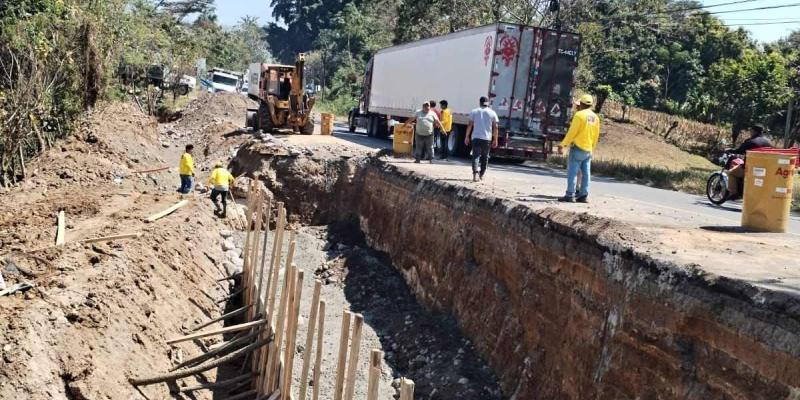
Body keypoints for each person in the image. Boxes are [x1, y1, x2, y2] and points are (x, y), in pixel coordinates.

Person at [558, 94, 600, 203]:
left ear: (581, 104)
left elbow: (572, 132)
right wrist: (592, 148)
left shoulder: (579, 115)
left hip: (577, 148)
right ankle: (583, 195)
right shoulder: (595, 117)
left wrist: (563, 144)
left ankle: (570, 195)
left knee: (572, 172)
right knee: (586, 174)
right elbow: (596, 135)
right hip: (588, 149)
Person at [726, 123, 773, 196]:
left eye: (751, 131)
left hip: (750, 168)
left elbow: (739, 150)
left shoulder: (751, 141)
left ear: (754, 131)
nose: (750, 132)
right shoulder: (768, 142)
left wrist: (729, 150)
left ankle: (733, 193)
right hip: (765, 169)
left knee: (731, 173)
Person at [465, 96, 499, 181]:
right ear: (488, 103)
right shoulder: (492, 113)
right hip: (487, 139)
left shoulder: (474, 111)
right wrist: (495, 139)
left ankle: (475, 174)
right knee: (485, 157)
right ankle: (481, 174)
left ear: (480, 102)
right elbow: (496, 127)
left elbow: (470, 125)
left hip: (476, 137)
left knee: (475, 156)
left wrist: (467, 136)